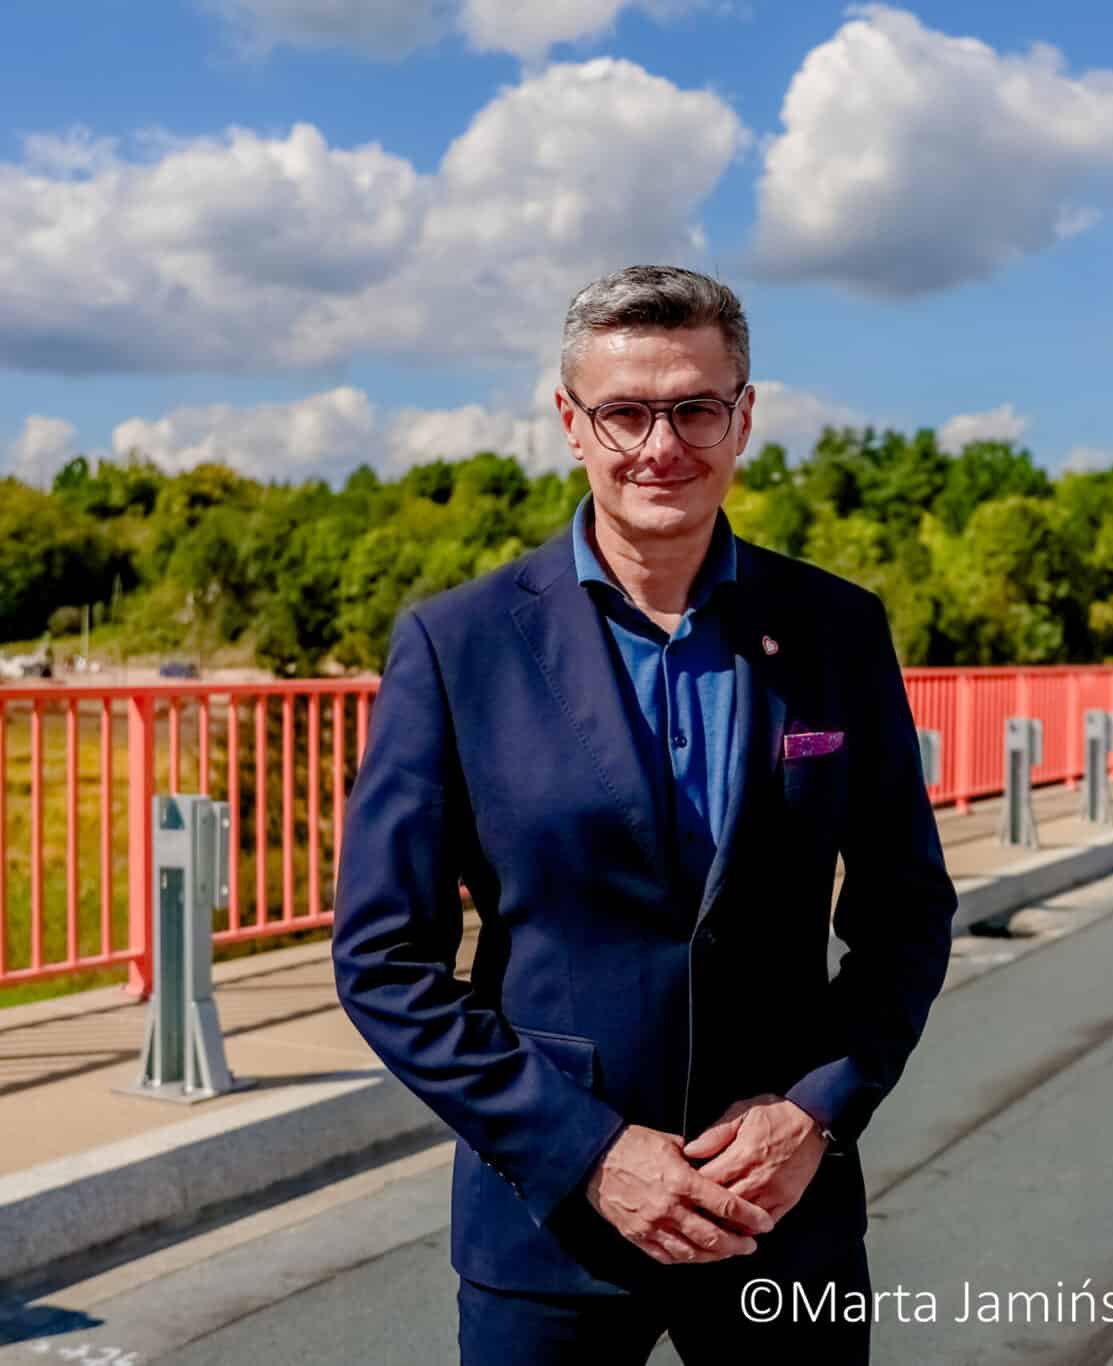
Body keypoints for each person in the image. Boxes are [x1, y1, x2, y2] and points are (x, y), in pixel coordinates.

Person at [332, 265, 957, 1363]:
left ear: (744, 417)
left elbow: (906, 910)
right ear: (571, 423)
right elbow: (384, 959)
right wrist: (588, 1150)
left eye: (694, 407)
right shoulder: (457, 646)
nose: (659, 445)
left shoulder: (836, 631)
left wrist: (814, 1111)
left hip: (781, 1210)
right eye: (624, 410)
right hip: (551, 1229)